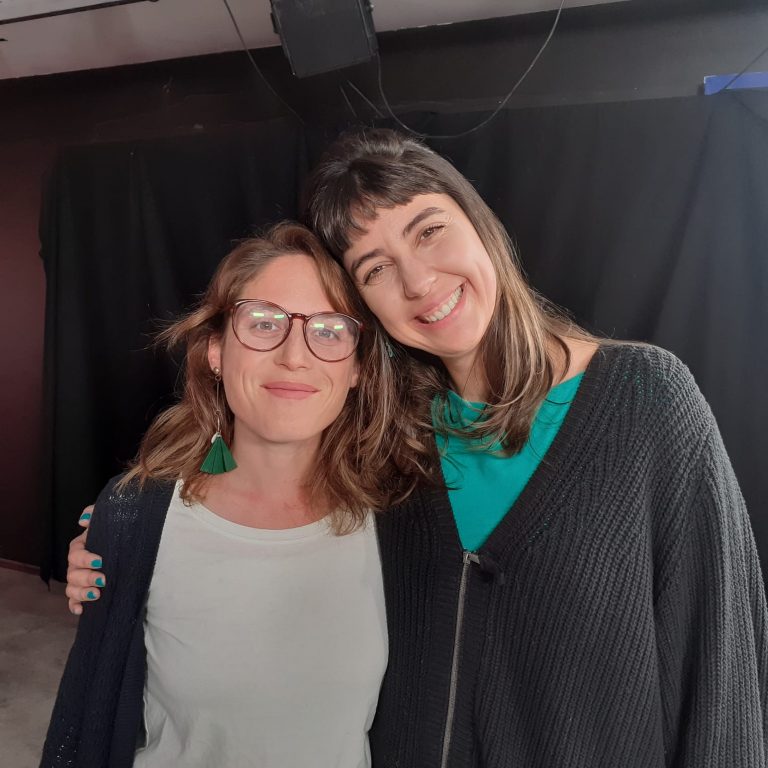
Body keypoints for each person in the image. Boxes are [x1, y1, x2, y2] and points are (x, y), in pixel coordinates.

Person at [66, 129, 768, 767]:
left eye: (429, 230)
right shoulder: (395, 442)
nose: (418, 281)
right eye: (374, 268)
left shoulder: (646, 399)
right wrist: (125, 541)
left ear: (481, 224)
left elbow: (721, 668)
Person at [42, 221, 410, 768]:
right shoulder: (135, 515)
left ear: (357, 367)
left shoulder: (402, 521)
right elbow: (88, 721)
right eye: (263, 323)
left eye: (330, 330)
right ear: (216, 351)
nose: (295, 355)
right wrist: (111, 547)